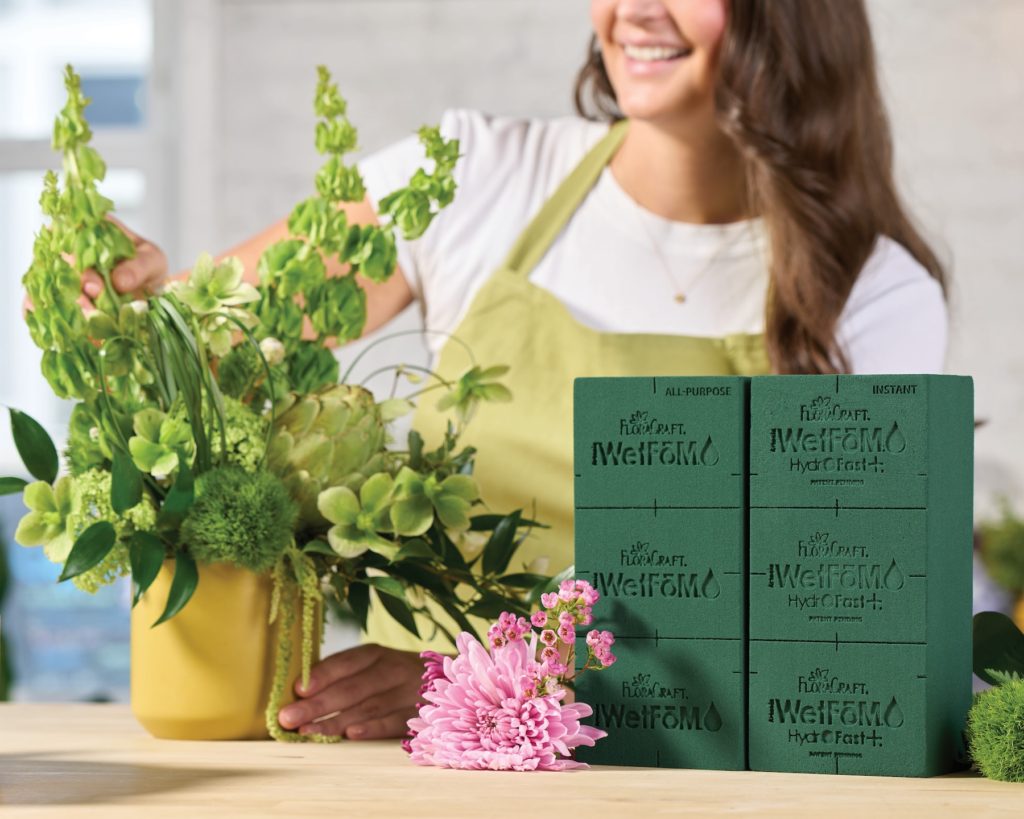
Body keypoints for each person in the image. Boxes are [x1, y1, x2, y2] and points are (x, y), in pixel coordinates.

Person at [62, 0, 948, 739]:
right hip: (411, 774)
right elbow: (210, 345)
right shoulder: (475, 176)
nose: (637, 10)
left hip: (688, 778)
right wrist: (128, 299)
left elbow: (836, 642)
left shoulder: (870, 295)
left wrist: (482, 680)